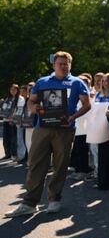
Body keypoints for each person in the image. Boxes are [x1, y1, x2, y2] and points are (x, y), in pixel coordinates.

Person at [5, 51, 90, 216]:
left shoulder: (77, 83)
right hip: (42, 127)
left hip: (65, 129)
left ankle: (54, 199)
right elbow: (31, 100)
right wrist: (33, 108)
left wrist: (73, 116)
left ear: (70, 65)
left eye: (66, 64)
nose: (63, 66)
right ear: (54, 65)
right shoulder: (42, 82)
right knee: (36, 164)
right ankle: (29, 203)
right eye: (60, 63)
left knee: (60, 165)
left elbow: (87, 104)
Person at [2, 84, 20, 160]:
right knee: (5, 138)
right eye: (11, 90)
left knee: (13, 138)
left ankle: (13, 153)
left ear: (17, 90)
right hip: (5, 120)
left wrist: (13, 118)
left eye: (14, 90)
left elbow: (19, 109)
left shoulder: (19, 99)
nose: (12, 91)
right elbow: (3, 108)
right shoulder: (7, 99)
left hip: (13, 121)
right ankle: (7, 154)